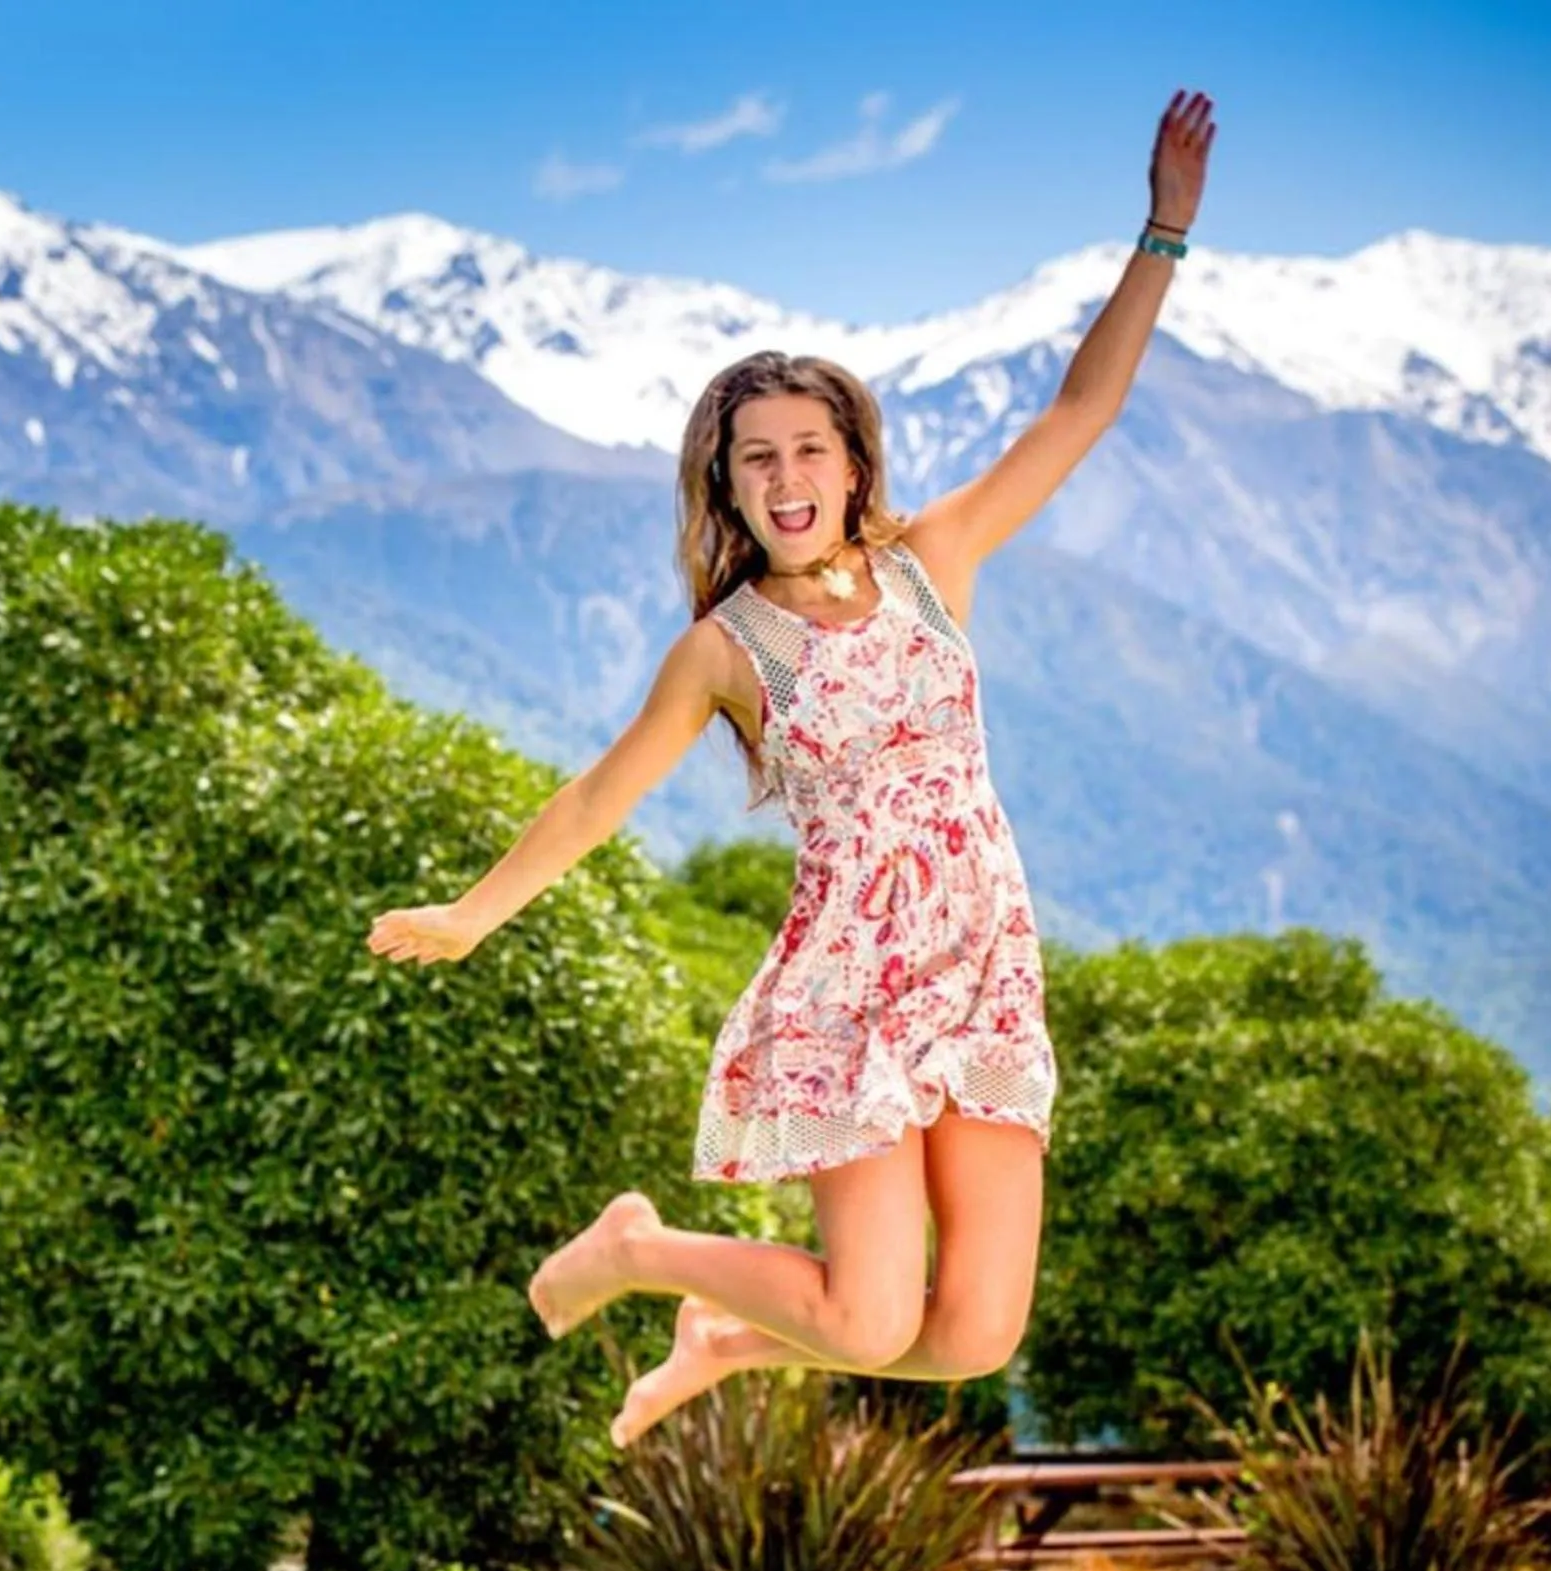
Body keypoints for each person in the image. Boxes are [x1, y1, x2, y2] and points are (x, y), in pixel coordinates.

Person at [366, 90, 1217, 1446]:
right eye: (756, 458)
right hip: (851, 989)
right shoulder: (724, 650)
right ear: (730, 487)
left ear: (852, 459)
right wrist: (475, 912)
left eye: (808, 448)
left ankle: (722, 1339)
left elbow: (1082, 409)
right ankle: (644, 1250)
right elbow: (599, 796)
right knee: (875, 1321)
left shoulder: (932, 566)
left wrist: (1163, 231)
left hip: (985, 963)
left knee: (976, 1335)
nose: (785, 474)